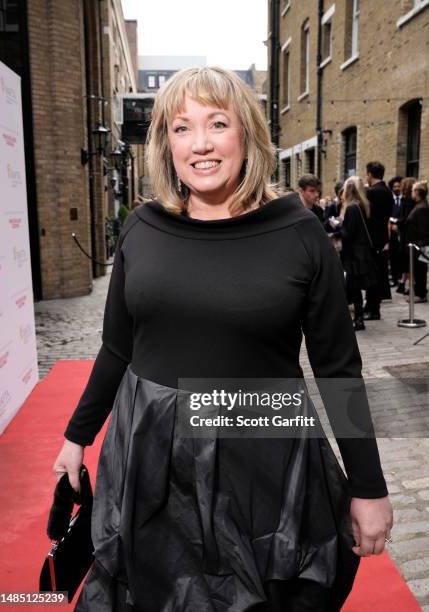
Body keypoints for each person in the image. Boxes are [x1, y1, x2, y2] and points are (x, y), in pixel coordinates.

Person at [52, 67, 392, 612]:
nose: (201, 144)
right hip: (152, 456)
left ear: (247, 134)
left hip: (263, 460)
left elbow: (338, 371)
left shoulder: (300, 234)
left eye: (217, 123)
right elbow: (117, 346)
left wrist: (368, 486)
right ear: (166, 143)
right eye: (182, 128)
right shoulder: (142, 227)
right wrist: (77, 435)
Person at [331, 177, 378, 331]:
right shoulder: (364, 205)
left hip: (354, 255)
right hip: (362, 253)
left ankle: (358, 320)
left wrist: (336, 230)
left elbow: (349, 233)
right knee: (356, 287)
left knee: (355, 288)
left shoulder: (352, 207)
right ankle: (358, 318)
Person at [364, 161, 394, 320]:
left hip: (371, 239)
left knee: (372, 275)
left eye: (367, 174)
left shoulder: (371, 192)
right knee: (379, 274)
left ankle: (373, 309)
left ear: (370, 174)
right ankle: (372, 306)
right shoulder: (388, 192)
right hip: (382, 238)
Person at [405, 180, 429, 302]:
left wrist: (420, 246)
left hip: (419, 246)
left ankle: (421, 294)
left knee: (420, 270)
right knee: (418, 270)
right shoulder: (419, 205)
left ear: (418, 192)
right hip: (415, 245)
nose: (411, 193)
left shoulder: (422, 208)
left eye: (413, 191)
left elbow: (423, 229)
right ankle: (419, 292)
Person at [395, 177, 417, 294]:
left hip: (407, 235)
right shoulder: (409, 200)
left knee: (408, 260)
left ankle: (409, 285)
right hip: (407, 234)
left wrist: (396, 221)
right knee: (406, 260)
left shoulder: (408, 201)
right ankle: (404, 283)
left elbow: (405, 218)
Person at [388, 176, 404, 287]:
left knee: (401, 255)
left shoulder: (405, 200)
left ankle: (400, 277)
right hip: (391, 231)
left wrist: (398, 224)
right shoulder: (389, 200)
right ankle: (394, 278)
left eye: (399, 186)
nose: (397, 188)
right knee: (393, 255)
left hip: (401, 231)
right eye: (395, 186)